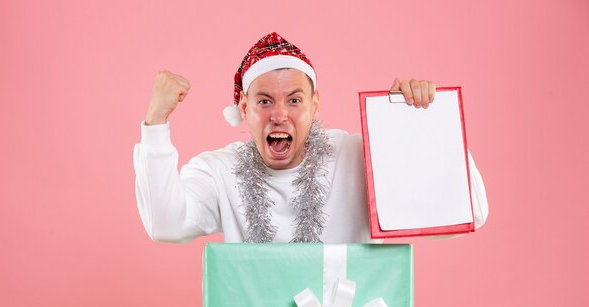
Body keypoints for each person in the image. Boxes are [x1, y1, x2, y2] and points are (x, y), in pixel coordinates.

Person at [134, 32, 488, 243]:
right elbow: (165, 224)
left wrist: (419, 122)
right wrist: (156, 124)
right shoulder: (219, 171)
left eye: (294, 100)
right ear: (243, 107)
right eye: (264, 101)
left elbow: (472, 210)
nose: (279, 115)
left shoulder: (358, 155)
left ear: (315, 105)